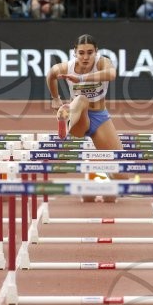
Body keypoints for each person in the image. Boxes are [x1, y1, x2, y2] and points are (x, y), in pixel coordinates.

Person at [46, 34, 124, 202]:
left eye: (90, 52)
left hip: (100, 118)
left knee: (122, 177)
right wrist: (55, 98)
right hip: (79, 116)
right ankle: (65, 120)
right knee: (81, 99)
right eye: (81, 53)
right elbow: (51, 74)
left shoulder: (102, 62)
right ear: (75, 52)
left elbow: (111, 75)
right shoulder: (67, 67)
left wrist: (81, 78)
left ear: (96, 52)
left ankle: (94, 179)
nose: (86, 57)